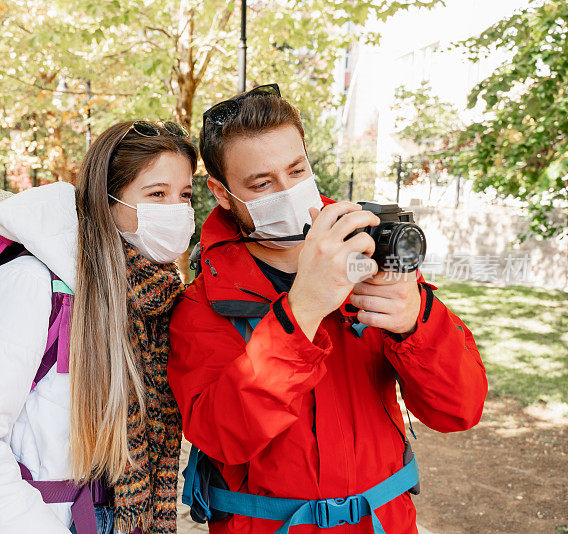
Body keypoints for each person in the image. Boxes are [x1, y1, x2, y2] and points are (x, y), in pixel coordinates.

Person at [167, 84, 488, 533]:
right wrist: (301, 312)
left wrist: (416, 324)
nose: (289, 190)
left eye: (297, 170)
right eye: (262, 183)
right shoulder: (203, 304)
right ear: (222, 194)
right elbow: (222, 437)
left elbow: (460, 410)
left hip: (384, 521)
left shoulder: (371, 258)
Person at [0, 120, 198, 534]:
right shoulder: (32, 284)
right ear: (107, 200)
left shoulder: (155, 302)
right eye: (157, 194)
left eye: (185, 195)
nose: (176, 210)